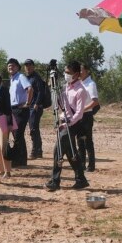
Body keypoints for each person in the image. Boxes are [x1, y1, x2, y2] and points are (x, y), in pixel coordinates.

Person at [47, 60, 90, 191]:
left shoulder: (80, 90)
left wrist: (68, 124)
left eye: (68, 73)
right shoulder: (66, 87)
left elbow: (79, 113)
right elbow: (61, 104)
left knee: (58, 150)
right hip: (64, 122)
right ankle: (81, 179)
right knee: (71, 152)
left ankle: (55, 181)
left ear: (76, 74)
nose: (66, 75)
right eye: (65, 72)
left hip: (72, 124)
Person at [6, 58, 33, 166]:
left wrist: (28, 102)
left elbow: (30, 88)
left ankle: (21, 160)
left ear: (17, 67)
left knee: (18, 134)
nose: (10, 67)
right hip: (12, 109)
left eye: (13, 66)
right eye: (9, 66)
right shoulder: (12, 79)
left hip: (21, 109)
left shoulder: (21, 76)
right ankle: (18, 159)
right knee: (16, 134)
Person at [24, 59, 48, 159]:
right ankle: (39, 151)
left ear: (33, 66)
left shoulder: (36, 77)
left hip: (35, 107)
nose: (28, 67)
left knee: (33, 129)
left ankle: (35, 151)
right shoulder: (26, 78)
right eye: (26, 65)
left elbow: (41, 92)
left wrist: (37, 104)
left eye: (29, 65)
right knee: (34, 129)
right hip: (29, 106)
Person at [79, 63, 101, 171]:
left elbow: (95, 102)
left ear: (87, 71)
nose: (79, 72)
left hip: (86, 115)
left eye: (81, 70)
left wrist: (83, 109)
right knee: (80, 141)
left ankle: (91, 165)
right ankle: (82, 164)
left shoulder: (91, 84)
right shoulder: (80, 83)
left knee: (87, 141)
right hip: (79, 115)